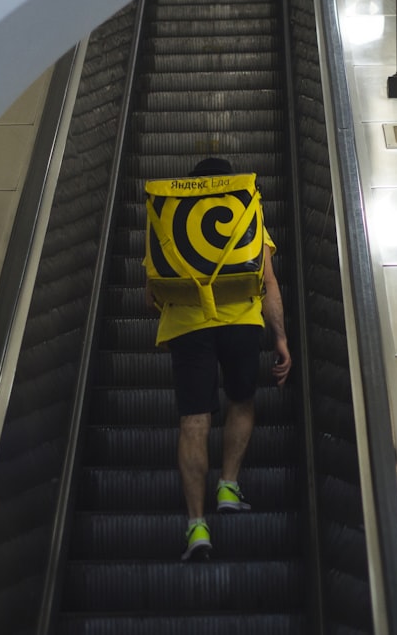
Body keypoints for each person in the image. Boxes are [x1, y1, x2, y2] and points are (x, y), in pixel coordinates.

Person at [144, 157, 292, 561]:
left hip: (187, 326)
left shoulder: (170, 218)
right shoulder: (247, 215)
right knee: (241, 401)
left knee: (193, 419)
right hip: (242, 319)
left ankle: (196, 526)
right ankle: (227, 484)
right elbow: (269, 281)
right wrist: (280, 337)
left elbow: (151, 293)